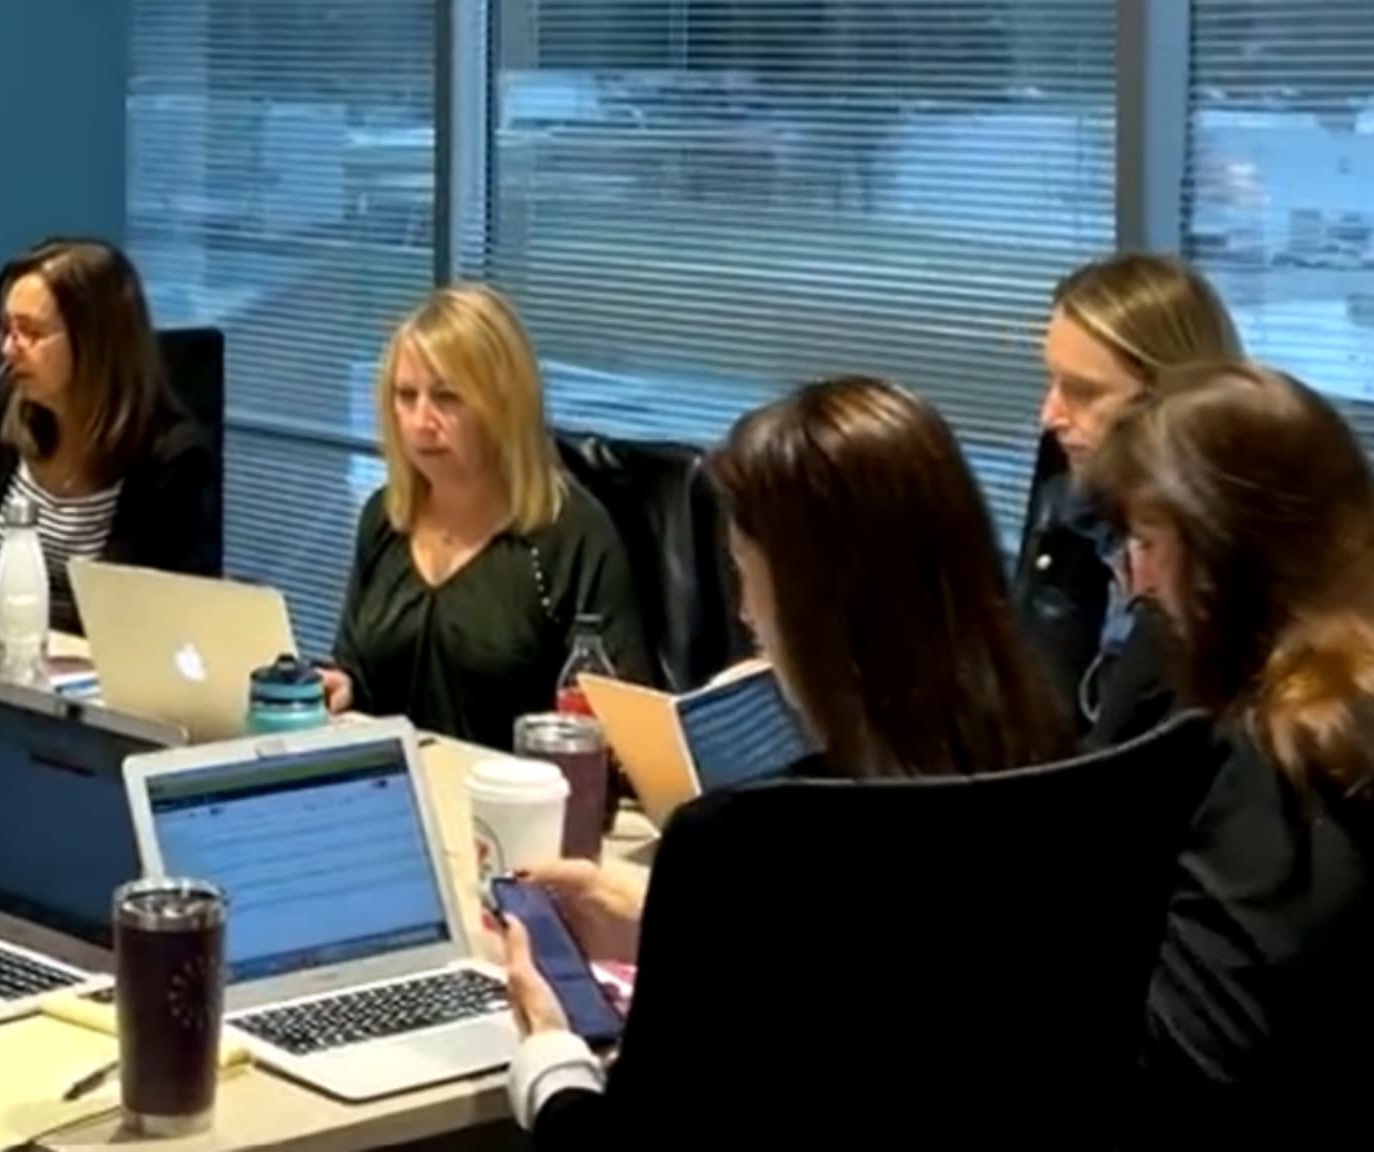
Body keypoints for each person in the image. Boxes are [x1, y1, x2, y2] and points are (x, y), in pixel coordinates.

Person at [491, 377, 1083, 1142]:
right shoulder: (1051, 776)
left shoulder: (747, 842)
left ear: (815, 598)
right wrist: (668, 927)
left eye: (746, 573)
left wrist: (548, 1061)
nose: (743, 612)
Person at [1084, 361, 1374, 1147]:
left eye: (1148, 542)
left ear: (1226, 551)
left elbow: (1192, 1077)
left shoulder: (1295, 758)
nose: (1140, 584)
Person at [323, 283, 653, 746]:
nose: (421, 421)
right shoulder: (384, 517)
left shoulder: (571, 535)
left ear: (503, 406)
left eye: (448, 398)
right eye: (405, 396)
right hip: (395, 791)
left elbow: (621, 728)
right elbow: (358, 668)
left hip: (516, 802)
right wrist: (343, 687)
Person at [0, 237, 219, 629]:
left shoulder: (174, 457)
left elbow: (140, 614)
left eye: (31, 333)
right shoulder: (3, 407)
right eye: (6, 329)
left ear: (95, 342)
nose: (8, 348)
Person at [1020, 252, 1242, 748]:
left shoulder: (1223, 570)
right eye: (1051, 382)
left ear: (1170, 401)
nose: (1049, 416)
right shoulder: (1074, 504)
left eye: (1081, 392)